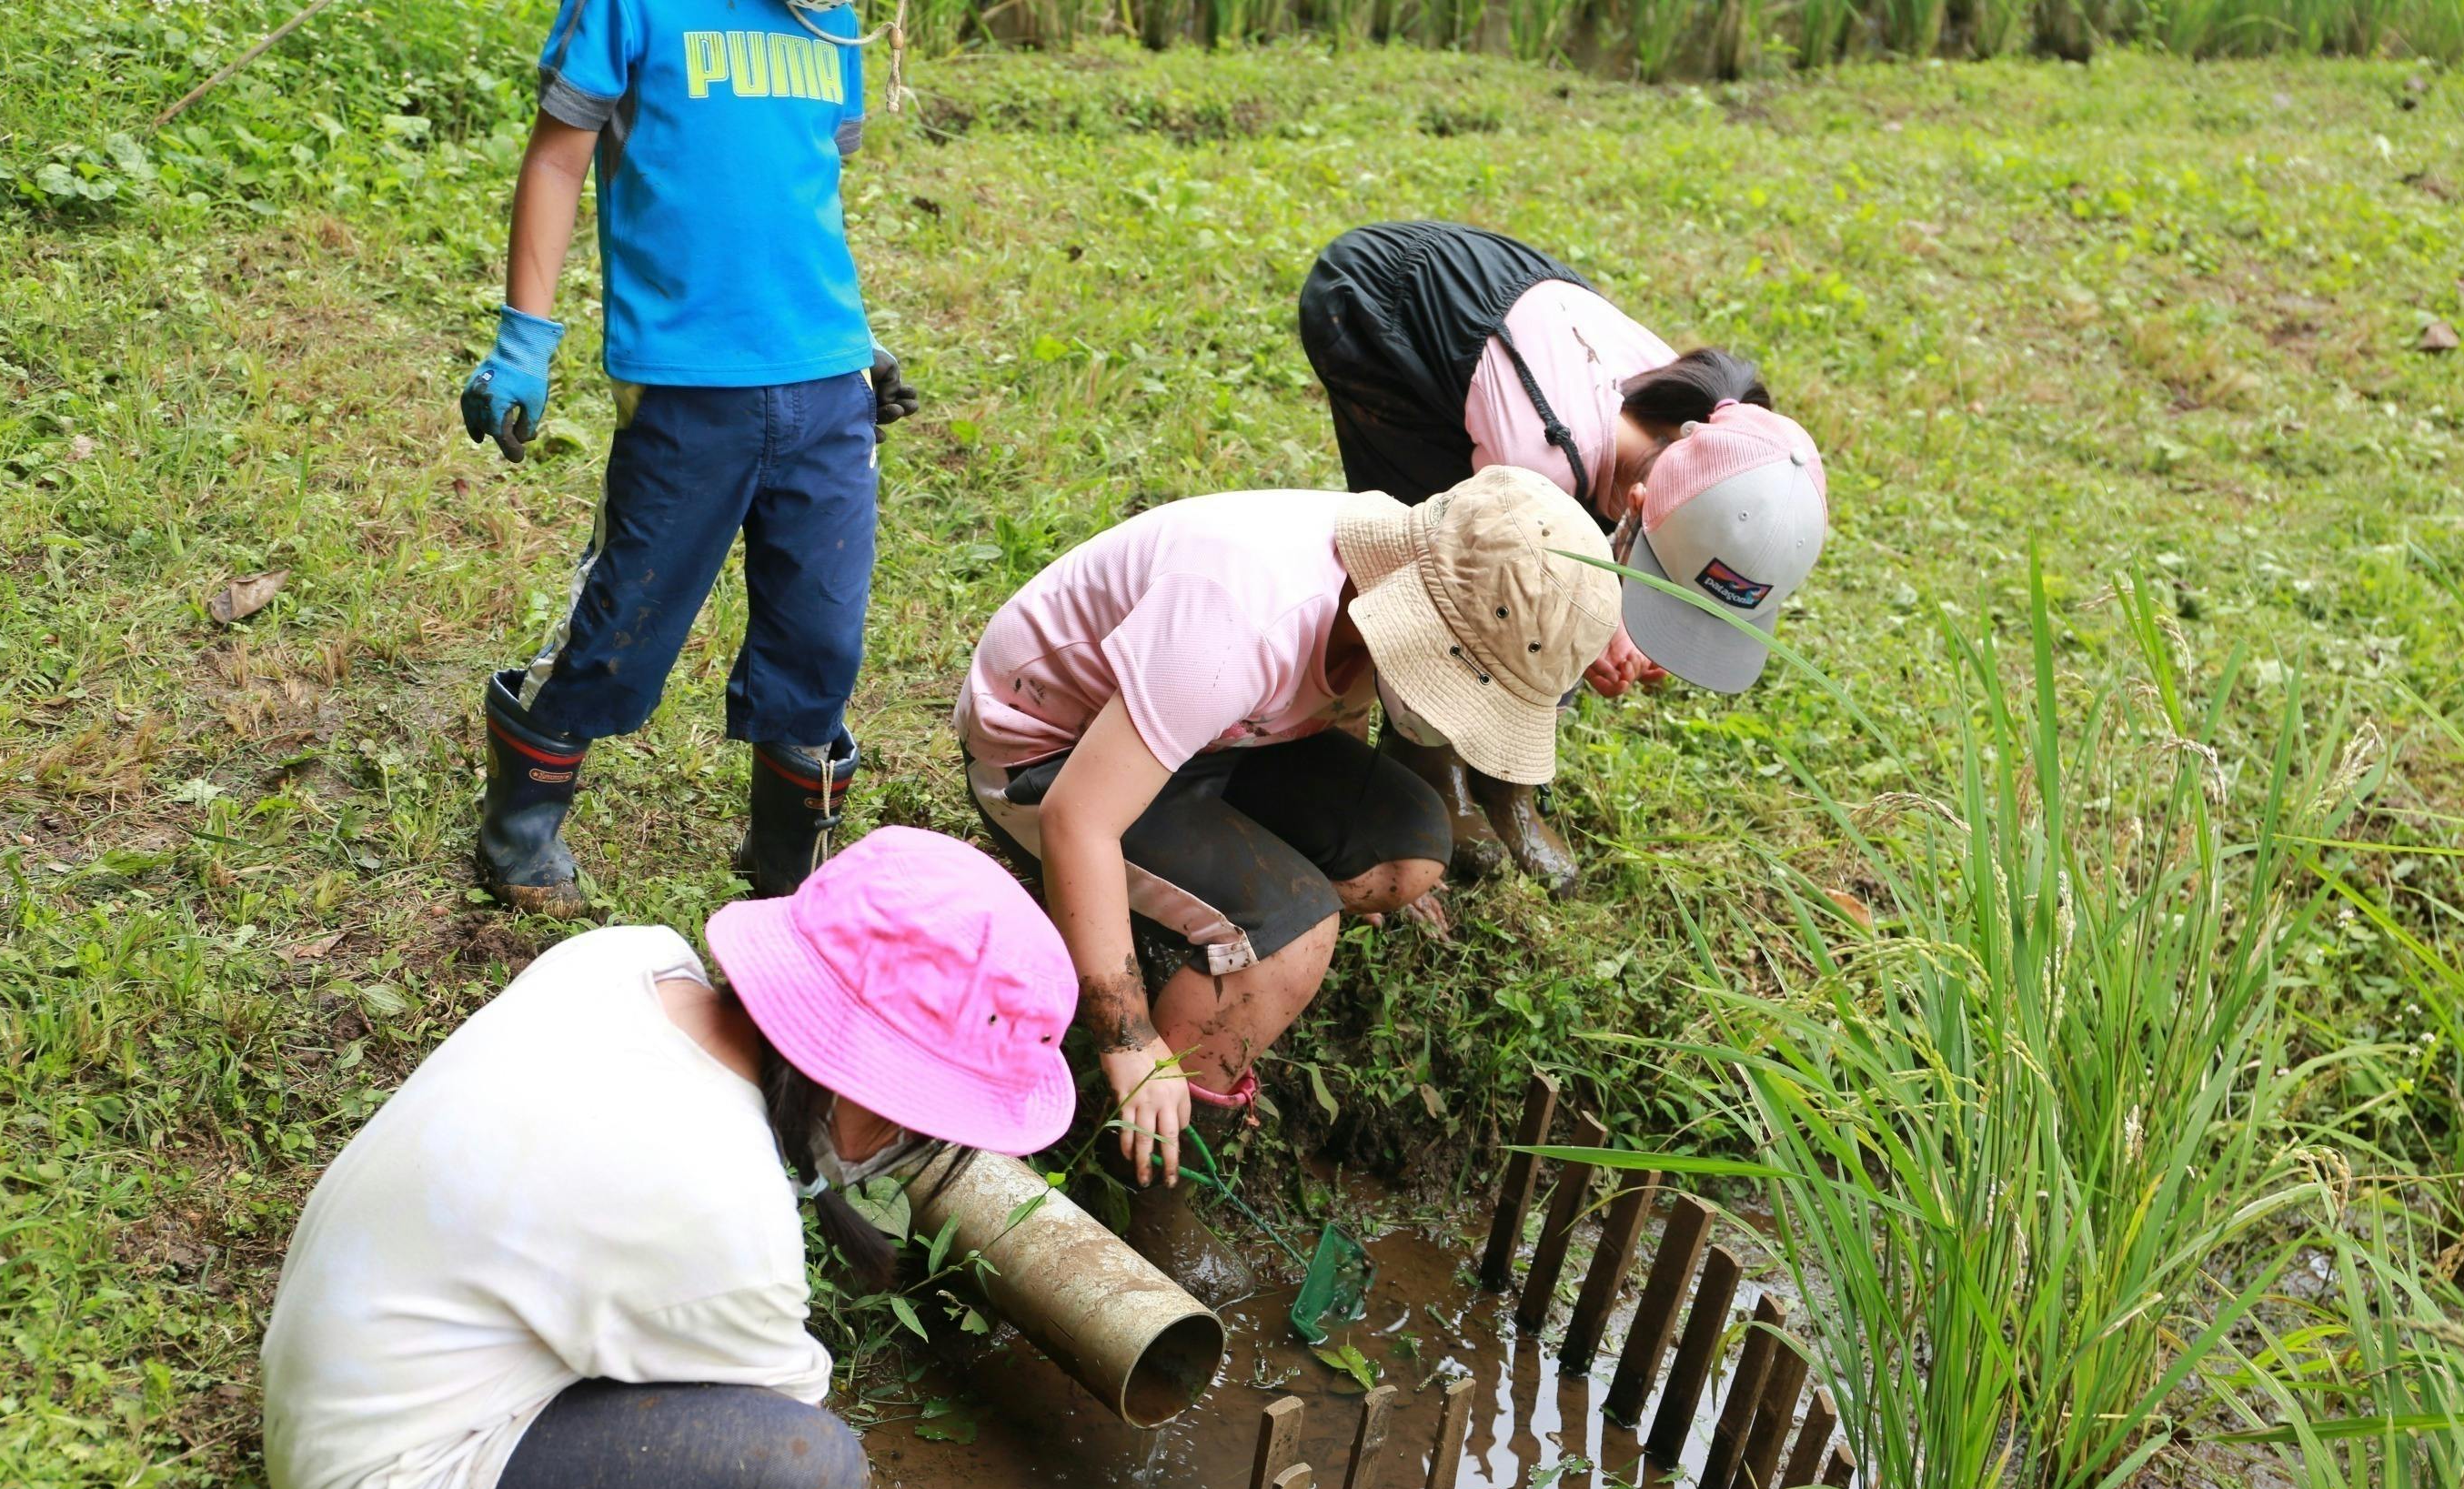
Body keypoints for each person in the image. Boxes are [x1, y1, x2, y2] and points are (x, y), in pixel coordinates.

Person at [259, 828, 1078, 1489]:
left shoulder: (631, 960)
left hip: (341, 1363)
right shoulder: (726, 1204)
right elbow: (795, 1438)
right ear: (885, 1095)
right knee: (812, 1482)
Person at [955, 466, 1618, 1242]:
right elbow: (1079, 821)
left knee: (1409, 854)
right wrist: (1130, 1046)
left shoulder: (1415, 574)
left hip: (1211, 736)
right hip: (1051, 759)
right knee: (1293, 933)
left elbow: (1324, 712)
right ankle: (1157, 1177)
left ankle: (1204, 947)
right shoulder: (1242, 617)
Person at [459, 0, 924, 913]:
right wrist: (524, 337)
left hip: (826, 389)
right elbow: (558, 157)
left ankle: (787, 861)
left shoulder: (837, 28)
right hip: (681, 391)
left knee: (821, 638)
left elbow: (802, 189)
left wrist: (847, 341)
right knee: (623, 620)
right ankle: (519, 834)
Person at [1298, 220, 1828, 892]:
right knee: (1472, 577)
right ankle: (1424, 765)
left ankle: (1505, 776)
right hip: (1380, 310)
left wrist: (1623, 624)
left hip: (1503, 345)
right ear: (1638, 501)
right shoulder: (1540, 457)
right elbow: (1485, 578)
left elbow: (1622, 549)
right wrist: (1601, 620)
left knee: (1560, 582)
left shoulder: (1707, 438)